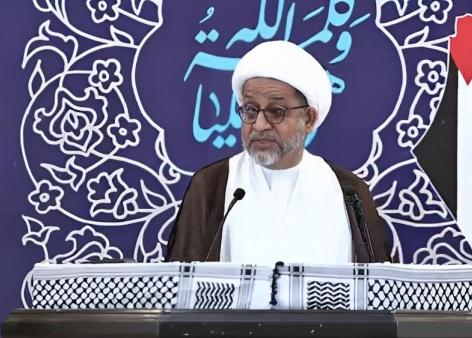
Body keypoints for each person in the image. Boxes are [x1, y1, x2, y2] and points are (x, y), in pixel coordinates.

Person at [167, 40, 392, 265]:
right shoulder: (211, 185)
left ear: (309, 119)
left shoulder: (348, 191)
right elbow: (179, 286)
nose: (259, 125)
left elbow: (380, 288)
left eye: (276, 111)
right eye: (251, 110)